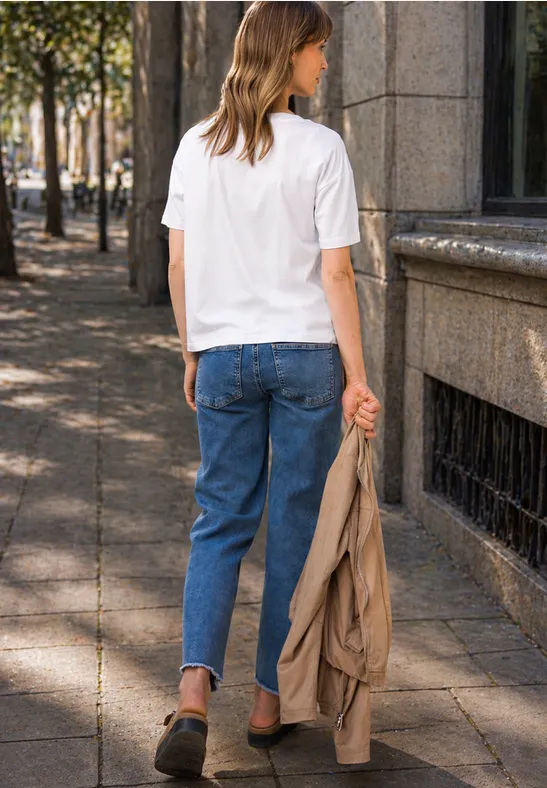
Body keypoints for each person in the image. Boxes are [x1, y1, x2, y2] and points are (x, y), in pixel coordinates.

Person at [155, 1, 381, 779]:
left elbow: (178, 264)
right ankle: (266, 703)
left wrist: (192, 353)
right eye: (318, 48)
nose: (324, 62)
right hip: (306, 358)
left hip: (222, 355)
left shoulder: (196, 146)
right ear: (289, 53)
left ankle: (191, 697)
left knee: (219, 520)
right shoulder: (321, 148)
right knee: (293, 525)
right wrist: (357, 378)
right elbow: (336, 273)